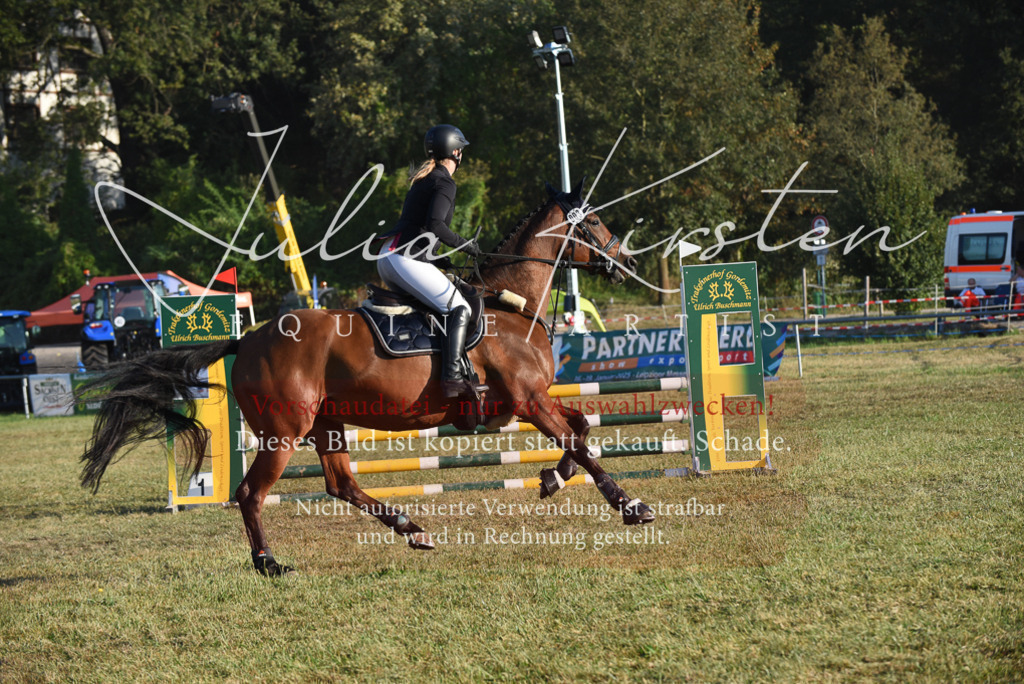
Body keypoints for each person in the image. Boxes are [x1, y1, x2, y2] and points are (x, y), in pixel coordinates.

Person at [376, 124, 482, 399]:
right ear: (456, 152)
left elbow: (419, 227)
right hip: (404, 258)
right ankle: (452, 379)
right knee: (460, 309)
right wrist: (466, 245)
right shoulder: (444, 181)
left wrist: (440, 262)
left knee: (431, 308)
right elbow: (436, 225)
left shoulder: (426, 178)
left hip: (391, 256)